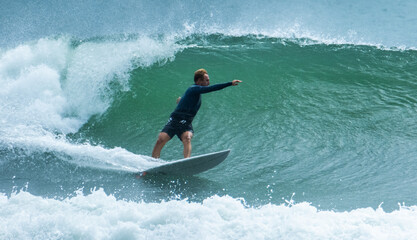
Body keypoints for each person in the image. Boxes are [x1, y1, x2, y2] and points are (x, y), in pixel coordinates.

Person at [152, 69, 242, 158]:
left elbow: (184, 99)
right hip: (176, 119)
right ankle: (154, 160)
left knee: (187, 138)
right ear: (199, 81)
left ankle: (186, 162)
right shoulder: (193, 88)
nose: (209, 83)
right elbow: (212, 88)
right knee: (161, 139)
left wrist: (180, 100)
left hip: (186, 122)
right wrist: (230, 83)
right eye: (206, 80)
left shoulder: (194, 92)